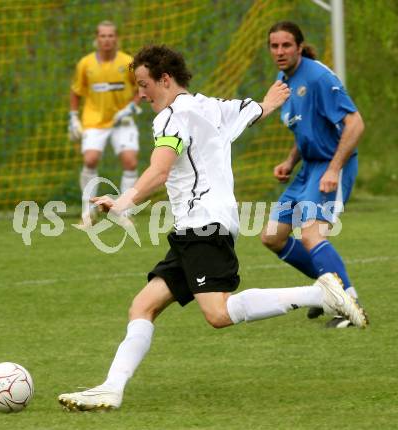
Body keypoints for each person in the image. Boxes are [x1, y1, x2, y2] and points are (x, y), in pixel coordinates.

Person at [58, 45, 367, 412]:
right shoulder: (211, 106)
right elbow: (254, 111)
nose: (140, 94)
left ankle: (321, 294)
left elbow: (159, 170)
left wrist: (123, 203)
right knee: (143, 306)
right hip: (201, 226)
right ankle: (111, 388)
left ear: (165, 79)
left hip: (202, 225)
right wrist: (269, 100)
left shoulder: (171, 118)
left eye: (144, 85)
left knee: (218, 313)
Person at [260, 21, 366, 328]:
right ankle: (327, 291)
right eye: (274, 46)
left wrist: (333, 169)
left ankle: (347, 303)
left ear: (299, 46)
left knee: (310, 234)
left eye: (286, 45)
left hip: (331, 164)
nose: (279, 51)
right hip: (307, 167)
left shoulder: (318, 77)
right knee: (272, 236)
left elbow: (355, 123)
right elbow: (306, 127)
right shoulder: (284, 79)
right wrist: (289, 162)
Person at [68, 20, 142, 226]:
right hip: (94, 120)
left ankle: (124, 212)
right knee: (90, 160)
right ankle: (88, 212)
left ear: (116, 39)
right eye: (103, 36)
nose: (107, 39)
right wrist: (73, 117)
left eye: (111, 35)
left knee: (130, 162)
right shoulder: (86, 64)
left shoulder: (128, 62)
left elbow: (141, 88)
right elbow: (76, 92)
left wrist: (131, 108)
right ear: (96, 39)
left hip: (122, 120)